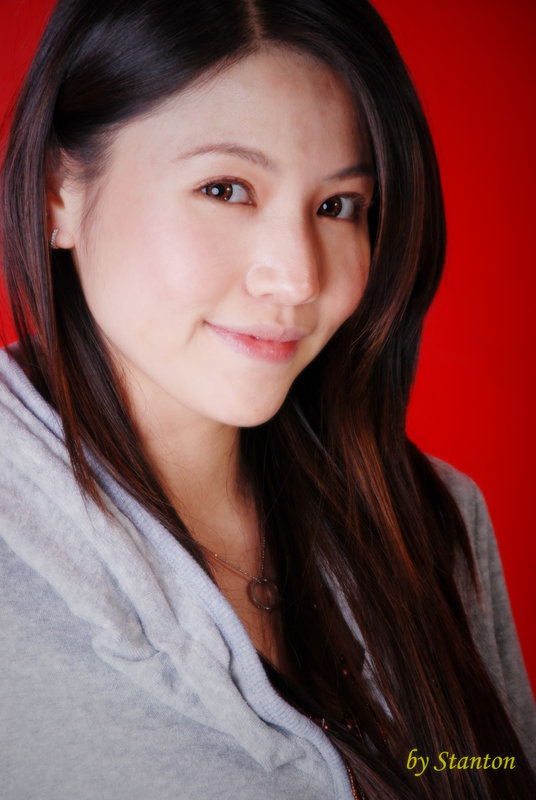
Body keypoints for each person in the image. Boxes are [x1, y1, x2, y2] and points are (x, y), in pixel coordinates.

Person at [0, 0, 534, 798]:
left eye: (337, 207)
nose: (298, 278)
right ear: (57, 194)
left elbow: (481, 770)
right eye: (226, 189)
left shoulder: (431, 519)